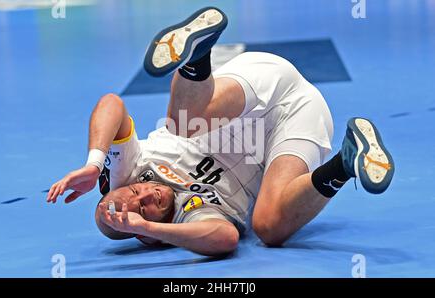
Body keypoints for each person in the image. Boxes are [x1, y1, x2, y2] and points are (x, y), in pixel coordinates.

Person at [46, 7, 394, 256]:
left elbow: (112, 104)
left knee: (182, 123)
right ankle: (348, 160)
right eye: (143, 210)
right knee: (269, 227)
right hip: (294, 119)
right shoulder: (189, 217)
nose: (145, 195)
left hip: (247, 92)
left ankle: (197, 57)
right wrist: (152, 230)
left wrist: (94, 164)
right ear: (147, 236)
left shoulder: (124, 175)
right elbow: (225, 238)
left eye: (135, 192)